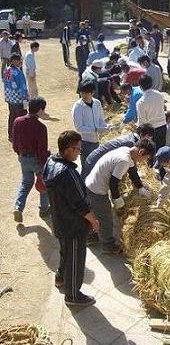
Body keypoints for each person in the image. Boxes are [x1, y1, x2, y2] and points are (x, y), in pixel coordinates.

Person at [43, 130, 100, 307]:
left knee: (65, 251)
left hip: (59, 220)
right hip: (73, 224)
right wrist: (94, 221)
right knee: (76, 258)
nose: (79, 152)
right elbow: (80, 204)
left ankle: (60, 278)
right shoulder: (67, 173)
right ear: (67, 150)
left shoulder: (50, 162)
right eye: (77, 149)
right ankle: (73, 295)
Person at [85, 139, 155, 253]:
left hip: (92, 182)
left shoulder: (127, 151)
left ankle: (91, 235)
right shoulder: (124, 160)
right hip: (96, 189)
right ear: (141, 151)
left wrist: (140, 187)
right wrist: (118, 201)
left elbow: (133, 173)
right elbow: (113, 183)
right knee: (106, 218)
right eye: (146, 157)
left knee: (95, 211)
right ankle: (108, 245)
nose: (145, 160)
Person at [12, 97, 50, 223]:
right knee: (42, 184)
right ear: (40, 110)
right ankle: (44, 209)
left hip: (23, 157)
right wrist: (44, 163)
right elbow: (42, 149)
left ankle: (18, 207)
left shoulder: (18, 121)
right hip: (37, 159)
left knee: (26, 183)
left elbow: (15, 141)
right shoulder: (40, 127)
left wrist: (19, 154)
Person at [84, 123, 155, 177]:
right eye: (148, 137)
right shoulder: (132, 144)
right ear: (142, 134)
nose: (148, 141)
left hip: (94, 158)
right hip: (94, 162)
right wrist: (140, 186)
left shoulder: (130, 136)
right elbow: (131, 167)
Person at [71, 81, 108, 178]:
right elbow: (79, 127)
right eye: (81, 93)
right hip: (85, 142)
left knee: (95, 166)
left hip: (96, 141)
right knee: (86, 168)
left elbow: (101, 119)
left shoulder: (97, 103)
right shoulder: (78, 107)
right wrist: (95, 129)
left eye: (86, 93)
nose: (83, 95)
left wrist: (104, 128)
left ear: (92, 93)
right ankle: (83, 190)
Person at [136, 75, 166, 150]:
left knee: (151, 152)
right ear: (151, 84)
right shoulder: (160, 95)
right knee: (161, 149)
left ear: (140, 86)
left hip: (150, 130)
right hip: (162, 126)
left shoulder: (141, 102)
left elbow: (142, 121)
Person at [3, 53, 28, 141]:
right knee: (21, 118)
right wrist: (25, 98)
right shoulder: (18, 73)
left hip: (10, 98)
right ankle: (21, 136)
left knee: (12, 116)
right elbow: (22, 87)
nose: (20, 62)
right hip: (18, 99)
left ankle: (11, 134)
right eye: (18, 60)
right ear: (13, 61)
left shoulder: (6, 70)